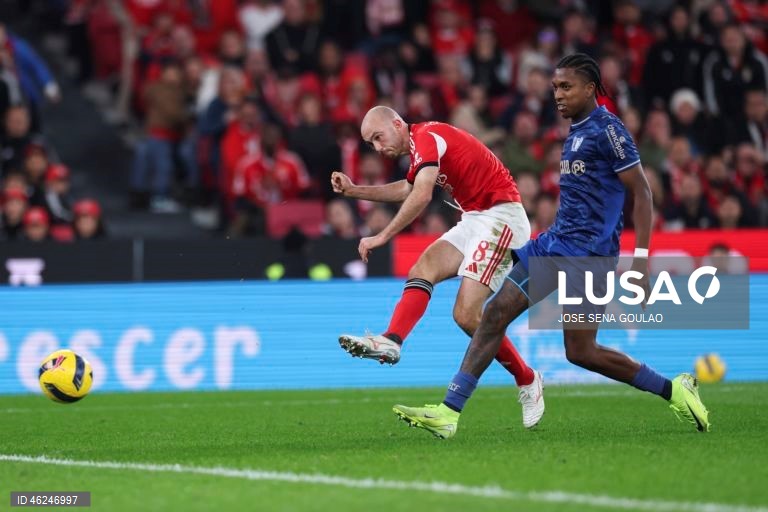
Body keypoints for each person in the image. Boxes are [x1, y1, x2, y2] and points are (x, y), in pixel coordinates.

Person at [392, 54, 710, 439]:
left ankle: (674, 389)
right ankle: (449, 411)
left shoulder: (608, 130)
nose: (557, 95)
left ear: (590, 89)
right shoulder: (575, 130)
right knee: (493, 316)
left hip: (590, 256)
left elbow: (641, 192)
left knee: (581, 352)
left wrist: (640, 260)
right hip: (555, 245)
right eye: (555, 87)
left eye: (566, 87)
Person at [331, 105, 545, 429]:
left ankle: (527, 379)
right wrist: (354, 190)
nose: (377, 147)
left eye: (378, 137)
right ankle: (392, 340)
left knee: (465, 315)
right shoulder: (420, 147)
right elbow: (406, 188)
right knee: (423, 268)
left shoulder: (427, 136)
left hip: (502, 218)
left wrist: (382, 236)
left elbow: (420, 195)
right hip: (476, 217)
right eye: (370, 143)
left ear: (397, 124)